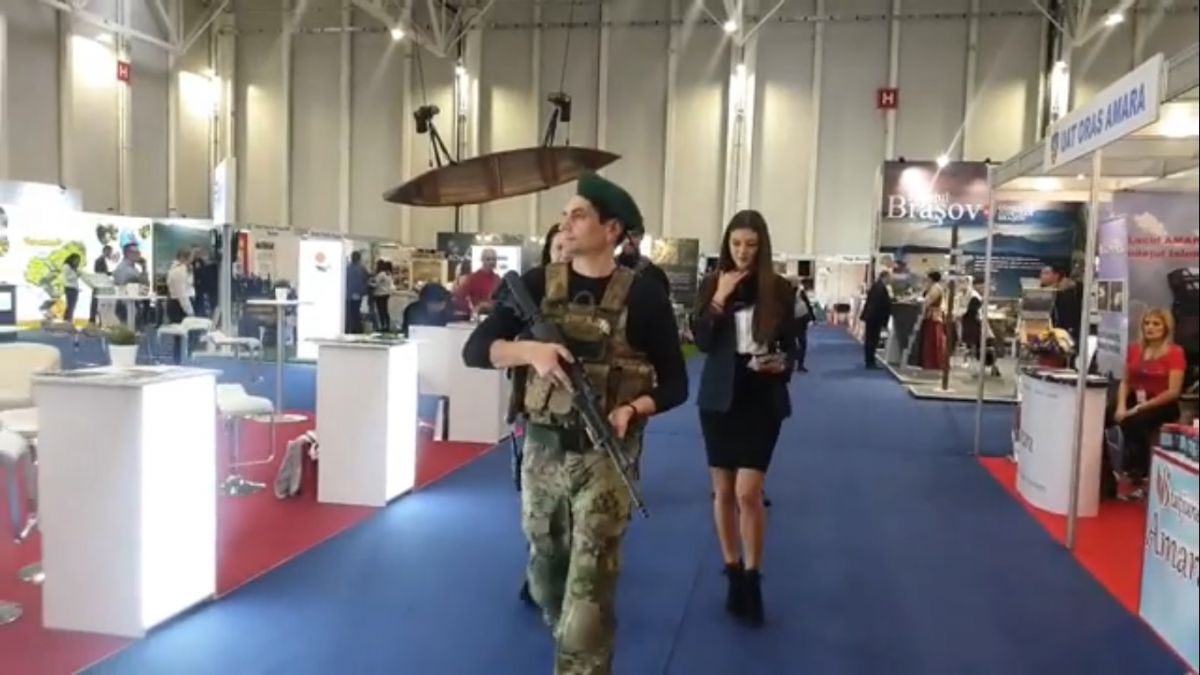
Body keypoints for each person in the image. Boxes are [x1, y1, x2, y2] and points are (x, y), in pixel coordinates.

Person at [462, 173, 687, 675]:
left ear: (612, 230)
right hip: (542, 457)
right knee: (547, 579)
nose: (565, 223)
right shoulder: (538, 285)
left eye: (579, 215)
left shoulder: (644, 298)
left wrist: (633, 408)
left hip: (604, 461)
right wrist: (531, 351)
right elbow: (476, 351)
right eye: (565, 214)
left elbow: (676, 384)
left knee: (588, 602)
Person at [692, 210, 797, 628]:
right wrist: (719, 297)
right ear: (727, 244)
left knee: (748, 492)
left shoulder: (780, 289)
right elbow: (701, 341)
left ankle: (753, 577)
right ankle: (733, 571)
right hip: (718, 397)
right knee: (722, 491)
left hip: (761, 397)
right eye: (736, 244)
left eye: (751, 245)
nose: (743, 252)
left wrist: (781, 364)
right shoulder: (710, 284)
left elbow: (793, 347)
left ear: (762, 246)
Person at [1111, 308, 1186, 500]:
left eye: (1156, 324)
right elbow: (1126, 382)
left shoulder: (1175, 353)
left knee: (1135, 422)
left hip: (1161, 403)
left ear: (1166, 328)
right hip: (1136, 398)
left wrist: (1139, 408)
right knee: (1106, 416)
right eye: (1147, 323)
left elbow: (1173, 391)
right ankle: (1108, 473)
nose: (1150, 327)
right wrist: (1121, 406)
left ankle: (1139, 473)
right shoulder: (1135, 350)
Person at [616, 227, 671, 298]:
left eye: (634, 235)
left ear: (641, 237)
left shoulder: (656, 275)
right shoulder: (608, 270)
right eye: (624, 236)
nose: (629, 241)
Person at [165, 248, 196, 363]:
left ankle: (181, 358)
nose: (192, 260)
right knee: (181, 334)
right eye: (190, 257)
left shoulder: (183, 269)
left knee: (183, 335)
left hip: (180, 303)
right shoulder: (179, 271)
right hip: (179, 305)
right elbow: (181, 293)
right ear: (183, 257)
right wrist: (189, 310)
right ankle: (179, 360)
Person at [860, 270, 893, 369]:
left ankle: (870, 360)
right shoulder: (880, 288)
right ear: (884, 277)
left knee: (871, 339)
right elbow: (881, 304)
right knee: (872, 340)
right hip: (874, 317)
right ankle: (870, 362)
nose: (890, 280)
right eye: (889, 278)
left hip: (872, 317)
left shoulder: (877, 286)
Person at [454, 247, 502, 314]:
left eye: (494, 259)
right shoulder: (472, 278)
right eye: (488, 259)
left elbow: (501, 299)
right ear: (482, 260)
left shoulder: (497, 279)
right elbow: (459, 297)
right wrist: (471, 310)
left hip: (495, 315)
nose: (492, 262)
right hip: (479, 315)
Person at [919, 271, 947, 370]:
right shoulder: (932, 288)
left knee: (933, 341)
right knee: (931, 340)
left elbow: (927, 301)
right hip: (931, 316)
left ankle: (933, 362)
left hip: (933, 316)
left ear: (931, 279)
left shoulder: (936, 288)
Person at [345, 251, 370, 334]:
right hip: (358, 293)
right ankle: (357, 329)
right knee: (356, 312)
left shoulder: (347, 268)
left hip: (348, 293)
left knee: (349, 312)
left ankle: (348, 328)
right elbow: (367, 277)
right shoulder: (362, 268)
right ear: (359, 259)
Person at [793, 278, 814, 372]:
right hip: (800, 320)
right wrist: (811, 318)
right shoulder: (801, 293)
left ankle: (793, 361)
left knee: (791, 343)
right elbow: (808, 305)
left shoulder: (784, 293)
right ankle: (800, 365)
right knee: (802, 343)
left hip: (790, 320)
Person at [63, 253, 81, 323]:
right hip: (69, 288)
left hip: (74, 288)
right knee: (70, 306)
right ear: (72, 259)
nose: (77, 262)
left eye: (78, 260)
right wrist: (76, 275)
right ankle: (68, 320)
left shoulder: (74, 267)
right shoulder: (66, 266)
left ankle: (68, 320)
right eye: (76, 260)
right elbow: (67, 278)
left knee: (72, 306)